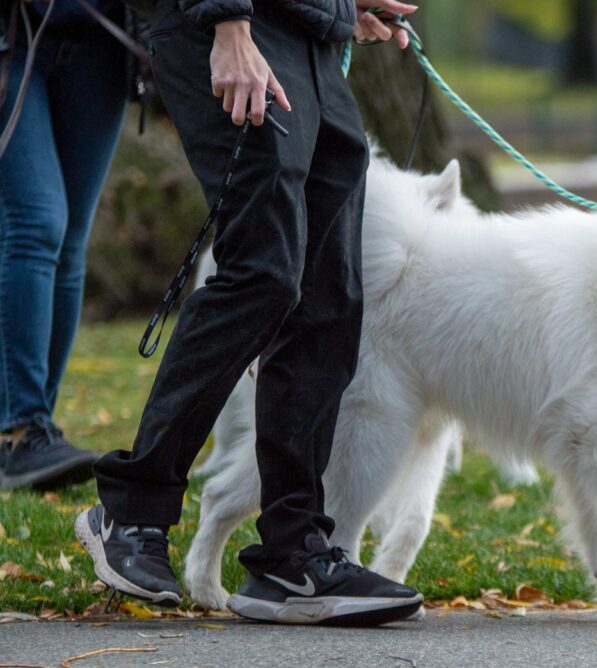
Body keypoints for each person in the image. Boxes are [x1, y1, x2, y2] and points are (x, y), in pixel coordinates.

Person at [75, 0, 425, 625]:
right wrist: (228, 22)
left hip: (310, 37)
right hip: (232, 25)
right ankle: (132, 511)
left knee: (330, 300)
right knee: (262, 275)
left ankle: (293, 555)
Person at [0, 0, 128, 490]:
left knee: (71, 238)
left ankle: (33, 433)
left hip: (102, 38)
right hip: (12, 35)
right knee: (37, 221)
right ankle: (22, 428)